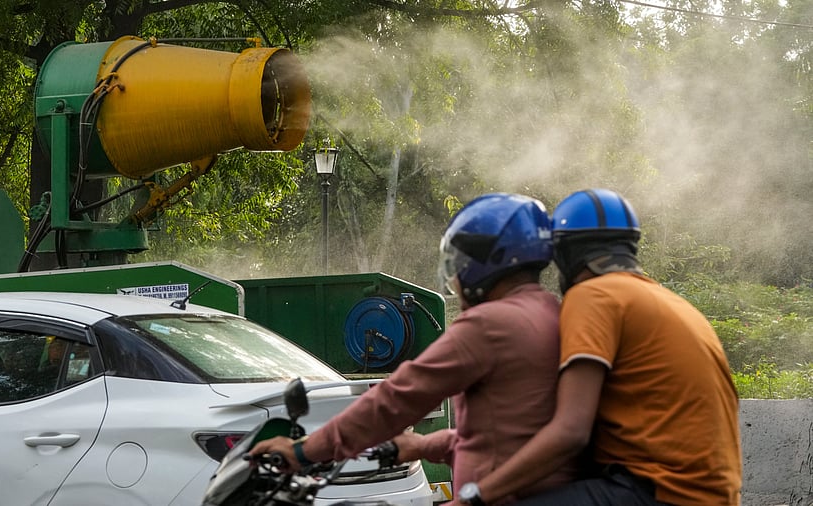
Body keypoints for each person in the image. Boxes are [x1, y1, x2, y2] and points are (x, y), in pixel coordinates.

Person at [250, 193, 580, 503]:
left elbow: (395, 400)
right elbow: (507, 437)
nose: (456, 278)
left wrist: (303, 451)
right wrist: (424, 445)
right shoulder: (552, 312)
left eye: (459, 264)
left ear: (486, 261)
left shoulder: (489, 324)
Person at [468, 188, 742, 506]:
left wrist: (478, 494)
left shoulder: (593, 296)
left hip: (661, 492)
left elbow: (570, 432)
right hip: (709, 494)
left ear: (567, 256)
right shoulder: (667, 301)